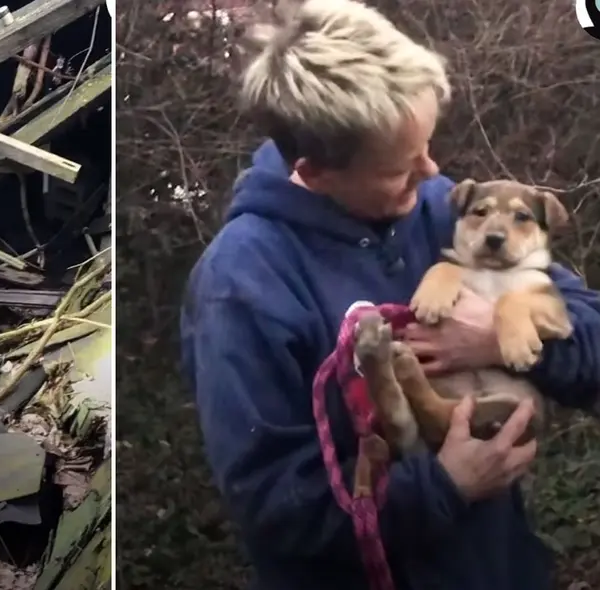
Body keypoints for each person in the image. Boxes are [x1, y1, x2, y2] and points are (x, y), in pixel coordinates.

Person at [180, 1, 600, 589]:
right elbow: (276, 508)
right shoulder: (241, 284)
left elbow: (592, 335)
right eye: (402, 166)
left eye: (428, 146)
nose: (432, 173)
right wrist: (444, 488)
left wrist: (496, 342)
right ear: (316, 171)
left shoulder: (441, 210)